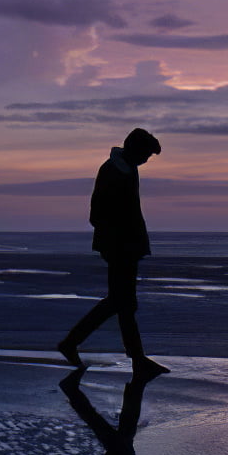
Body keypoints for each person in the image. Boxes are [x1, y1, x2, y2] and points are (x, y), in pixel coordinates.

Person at [57, 128, 166, 378]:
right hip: (120, 247)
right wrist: (118, 239)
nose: (147, 160)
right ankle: (73, 343)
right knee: (121, 303)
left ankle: (137, 359)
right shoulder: (112, 170)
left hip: (127, 246)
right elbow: (97, 213)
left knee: (123, 304)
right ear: (134, 149)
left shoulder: (127, 168)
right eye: (146, 154)